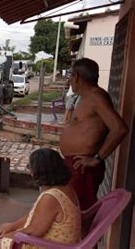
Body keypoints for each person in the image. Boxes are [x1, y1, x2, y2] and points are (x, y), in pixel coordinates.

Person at [60, 58, 128, 211]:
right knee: (71, 211)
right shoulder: (85, 97)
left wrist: (96, 158)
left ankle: (83, 236)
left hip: (83, 168)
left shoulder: (96, 97)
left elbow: (119, 128)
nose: (69, 80)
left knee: (78, 212)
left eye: (70, 76)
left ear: (76, 76)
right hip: (75, 164)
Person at [0, 148, 81, 249]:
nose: (31, 172)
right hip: (61, 242)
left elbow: (33, 232)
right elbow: (35, 215)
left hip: (53, 245)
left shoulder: (50, 198)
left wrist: (8, 236)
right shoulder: (65, 186)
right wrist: (12, 226)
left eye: (30, 168)